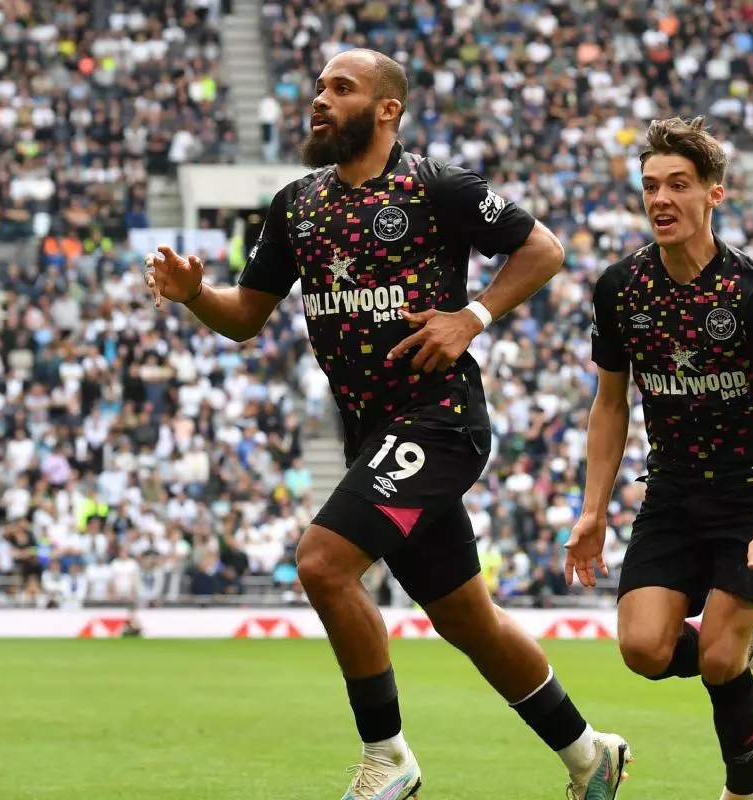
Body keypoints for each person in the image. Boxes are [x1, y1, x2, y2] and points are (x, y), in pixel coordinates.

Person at [144, 48, 631, 800]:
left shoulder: (438, 187)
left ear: (386, 109)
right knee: (468, 618)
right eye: (317, 88)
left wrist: (471, 318)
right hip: (375, 438)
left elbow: (544, 250)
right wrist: (194, 297)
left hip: (441, 422)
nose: (320, 100)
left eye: (341, 88)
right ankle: (589, 755)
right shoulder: (297, 204)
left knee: (322, 562)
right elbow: (246, 317)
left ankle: (388, 756)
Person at [564, 116, 753, 800]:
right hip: (672, 489)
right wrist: (593, 511)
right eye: (650, 187)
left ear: (714, 195)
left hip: (750, 493)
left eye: (678, 184)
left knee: (719, 659)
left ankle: (742, 793)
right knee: (642, 649)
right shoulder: (621, 289)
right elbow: (610, 405)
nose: (661, 199)